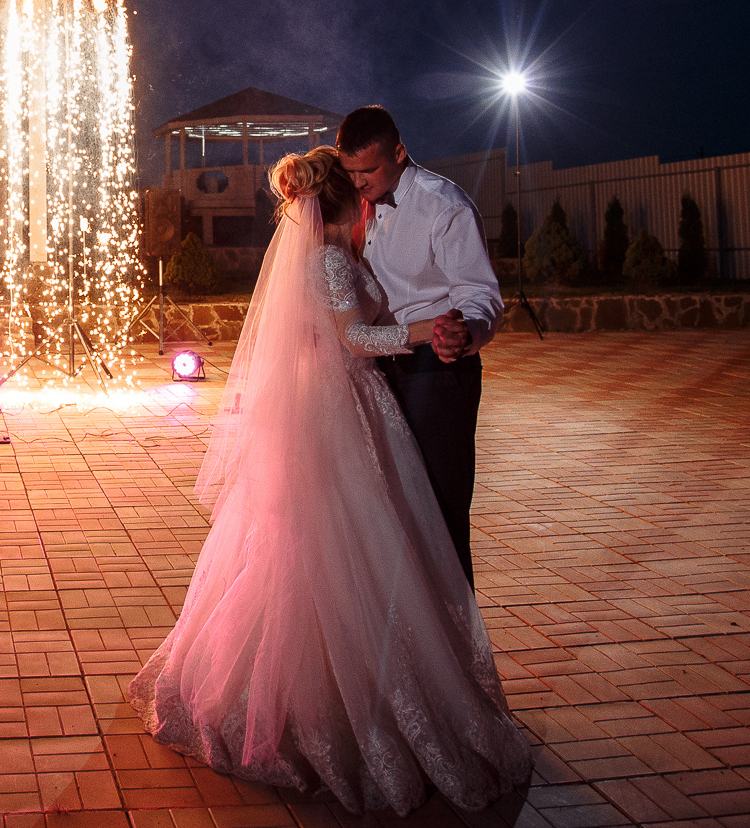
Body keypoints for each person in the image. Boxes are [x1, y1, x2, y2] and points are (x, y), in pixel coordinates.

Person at [128, 147, 531, 813]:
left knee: (338, 546)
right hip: (341, 404)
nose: (368, 194)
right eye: (359, 185)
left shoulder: (333, 253)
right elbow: (355, 340)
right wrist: (427, 330)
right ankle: (327, 708)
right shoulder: (328, 261)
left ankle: (349, 689)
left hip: (346, 401)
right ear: (346, 197)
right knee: (342, 547)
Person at [336, 105, 500, 586]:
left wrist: (466, 332)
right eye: (350, 172)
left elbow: (479, 293)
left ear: (399, 152)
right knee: (392, 512)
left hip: (436, 368)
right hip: (377, 369)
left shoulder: (443, 206)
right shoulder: (355, 203)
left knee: (441, 509)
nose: (358, 182)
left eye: (368, 170)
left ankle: (455, 628)